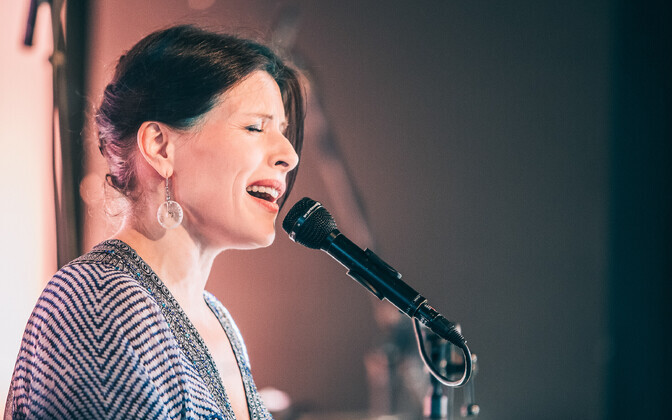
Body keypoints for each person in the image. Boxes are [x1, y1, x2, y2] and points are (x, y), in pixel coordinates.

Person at [5, 24, 304, 419]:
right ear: (160, 147)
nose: (289, 155)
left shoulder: (217, 319)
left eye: (282, 132)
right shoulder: (100, 302)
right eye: (254, 127)